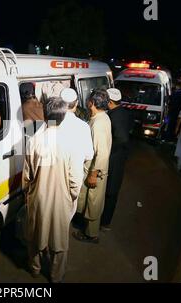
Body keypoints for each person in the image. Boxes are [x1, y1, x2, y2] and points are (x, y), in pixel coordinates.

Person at [22, 97, 82, 283]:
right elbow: (75, 179)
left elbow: (27, 175)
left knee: (35, 236)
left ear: (46, 115)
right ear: (63, 116)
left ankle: (35, 268)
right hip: (61, 199)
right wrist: (72, 196)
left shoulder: (34, 140)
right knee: (59, 241)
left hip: (38, 197)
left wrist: (28, 194)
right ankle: (56, 276)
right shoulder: (72, 142)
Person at [73, 89, 112, 243]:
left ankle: (91, 235)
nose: (87, 102)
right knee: (89, 202)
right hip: (91, 168)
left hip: (94, 170)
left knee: (92, 204)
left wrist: (93, 174)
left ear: (92, 103)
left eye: (89, 99)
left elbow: (101, 153)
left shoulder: (98, 124)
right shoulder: (100, 117)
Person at [100, 88, 132, 231]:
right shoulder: (123, 112)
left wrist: (109, 150)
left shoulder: (115, 116)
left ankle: (105, 222)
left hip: (115, 158)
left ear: (110, 102)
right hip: (120, 156)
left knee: (111, 191)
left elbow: (122, 138)